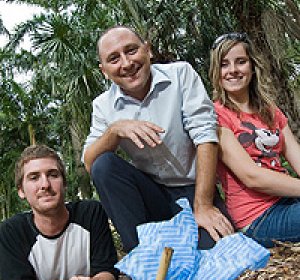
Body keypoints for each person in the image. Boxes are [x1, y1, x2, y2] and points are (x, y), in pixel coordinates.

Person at [82, 25, 234, 253]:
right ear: (104, 70)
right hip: (151, 195)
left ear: (148, 50)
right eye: (114, 58)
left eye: (131, 51)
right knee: (104, 165)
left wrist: (203, 205)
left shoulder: (181, 75)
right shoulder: (103, 106)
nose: (126, 63)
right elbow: (89, 162)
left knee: (212, 253)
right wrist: (114, 130)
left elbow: (205, 136)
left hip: (195, 189)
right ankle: (142, 255)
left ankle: (189, 231)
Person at [0, 144, 119, 280]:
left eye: (52, 175)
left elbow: (108, 270)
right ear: (21, 191)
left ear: (64, 183)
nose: (45, 185)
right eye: (34, 178)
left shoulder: (91, 213)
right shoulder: (11, 232)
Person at [210, 32, 300, 248]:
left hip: (288, 200)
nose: (233, 70)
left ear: (252, 67)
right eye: (224, 64)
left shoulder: (270, 111)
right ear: (216, 71)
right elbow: (252, 177)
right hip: (258, 218)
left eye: (240, 62)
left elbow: (297, 157)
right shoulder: (215, 115)